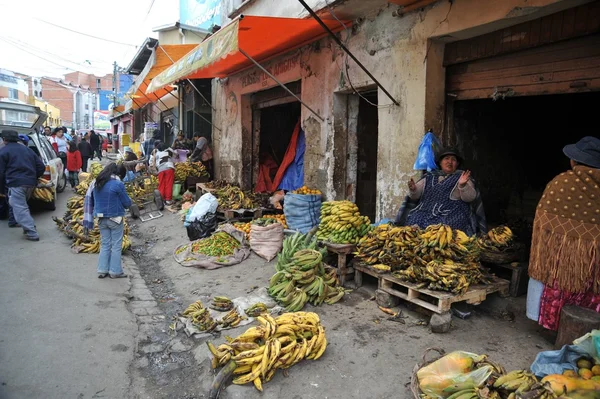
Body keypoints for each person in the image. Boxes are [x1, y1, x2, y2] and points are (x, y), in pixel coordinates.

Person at [526, 136, 600, 331]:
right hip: (593, 262)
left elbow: (543, 223)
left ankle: (548, 323)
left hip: (559, 260)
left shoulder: (561, 182)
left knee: (555, 276)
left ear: (573, 161)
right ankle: (588, 328)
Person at [395, 148, 486, 236]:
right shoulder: (429, 177)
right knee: (413, 219)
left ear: (457, 164)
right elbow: (415, 196)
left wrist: (462, 186)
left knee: (444, 226)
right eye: (446, 159)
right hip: (426, 211)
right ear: (440, 162)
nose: (450, 162)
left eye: (453, 160)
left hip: (452, 213)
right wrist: (413, 189)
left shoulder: (463, 177)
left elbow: (470, 198)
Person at [83, 163, 132, 279]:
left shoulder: (96, 183)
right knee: (116, 245)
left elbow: (91, 201)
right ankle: (115, 271)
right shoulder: (118, 184)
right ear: (116, 173)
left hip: (100, 218)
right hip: (115, 219)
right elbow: (127, 203)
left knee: (105, 244)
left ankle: (102, 270)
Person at [0, 130, 46, 241]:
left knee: (20, 208)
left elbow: (0, 173)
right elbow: (41, 167)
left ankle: (31, 232)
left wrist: (1, 190)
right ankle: (27, 227)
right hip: (30, 184)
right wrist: (34, 178)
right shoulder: (28, 150)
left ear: (4, 139)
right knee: (20, 206)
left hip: (16, 183)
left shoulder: (3, 151)